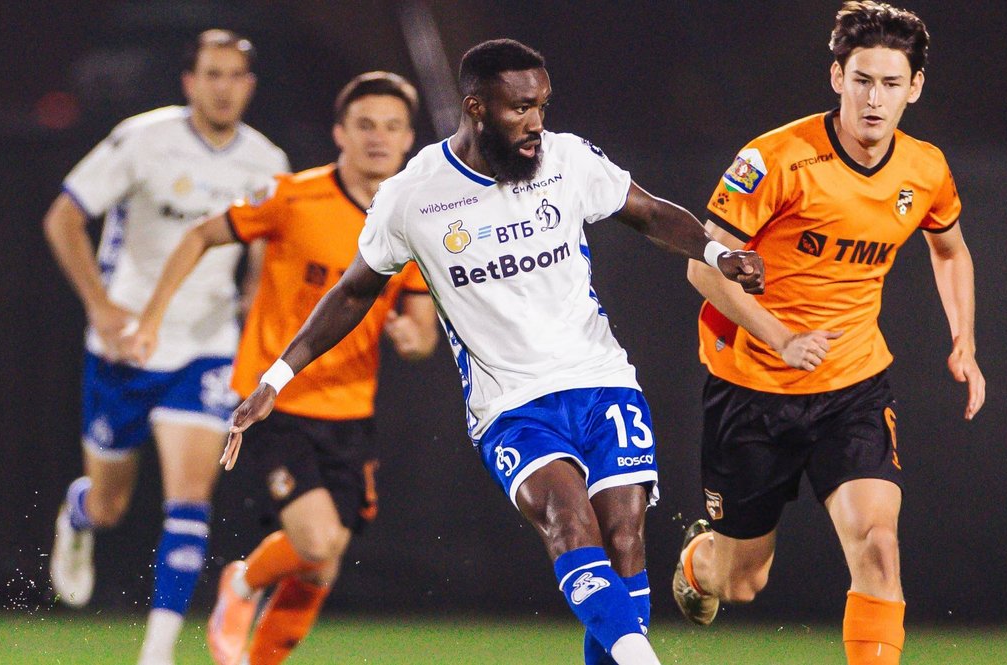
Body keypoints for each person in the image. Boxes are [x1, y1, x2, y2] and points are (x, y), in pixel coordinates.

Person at [221, 39, 763, 665]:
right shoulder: (414, 195)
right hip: (511, 405)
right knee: (568, 521)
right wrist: (277, 376)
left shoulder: (567, 159)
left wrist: (717, 253)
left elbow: (646, 212)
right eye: (520, 109)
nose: (536, 123)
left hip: (601, 380)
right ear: (476, 107)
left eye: (542, 106)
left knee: (623, 543)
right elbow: (352, 293)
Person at [672, 3, 986, 664]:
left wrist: (965, 341)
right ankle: (702, 561)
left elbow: (950, 248)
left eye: (891, 83)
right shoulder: (775, 158)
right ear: (838, 77)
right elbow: (703, 265)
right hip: (751, 389)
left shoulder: (925, 168)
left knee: (879, 545)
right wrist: (780, 337)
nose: (875, 99)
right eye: (862, 80)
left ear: (915, 87)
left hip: (853, 388)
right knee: (742, 581)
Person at [125, 71, 437, 665]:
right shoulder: (293, 197)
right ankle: (242, 583)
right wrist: (152, 317)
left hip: (351, 412)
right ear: (339, 133)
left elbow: (422, 334)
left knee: (321, 566)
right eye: (365, 125)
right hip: (277, 401)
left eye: (392, 126)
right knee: (315, 542)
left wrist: (412, 339)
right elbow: (200, 235)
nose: (378, 137)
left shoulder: (411, 224)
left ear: (407, 140)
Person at [43, 29, 288, 665]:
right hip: (125, 344)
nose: (223, 88)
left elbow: (270, 248)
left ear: (250, 86)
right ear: (189, 82)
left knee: (190, 499)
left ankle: (157, 652)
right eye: (212, 74)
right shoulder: (143, 139)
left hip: (206, 345)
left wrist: (255, 298)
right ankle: (78, 516)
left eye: (235, 76)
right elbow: (63, 217)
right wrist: (101, 307)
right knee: (110, 505)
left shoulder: (267, 162)